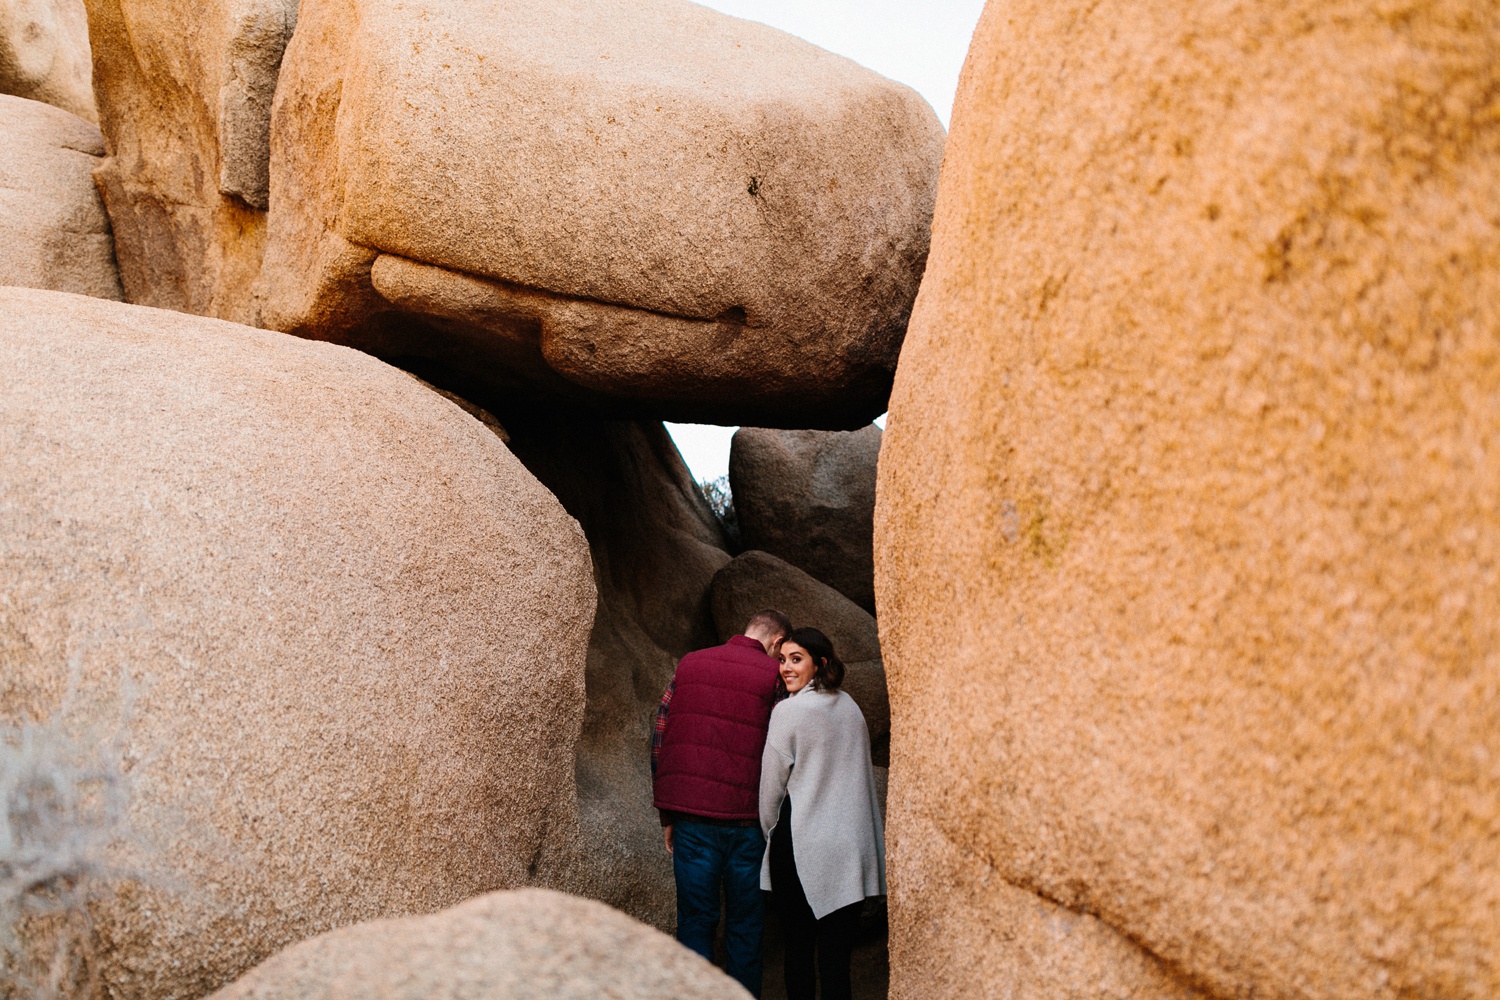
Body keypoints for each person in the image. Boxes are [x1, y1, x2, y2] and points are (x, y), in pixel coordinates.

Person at [652, 609, 793, 997]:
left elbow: (661, 734)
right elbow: (784, 749)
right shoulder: (772, 677)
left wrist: (668, 813)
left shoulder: (690, 664)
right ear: (778, 643)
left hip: (692, 820)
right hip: (748, 824)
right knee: (745, 926)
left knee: (695, 921)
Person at [759, 627, 886, 1000]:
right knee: (836, 958)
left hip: (800, 844)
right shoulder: (851, 708)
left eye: (796, 659)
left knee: (798, 948)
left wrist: (768, 832)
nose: (785, 668)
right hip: (850, 847)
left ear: (821, 663)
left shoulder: (788, 712)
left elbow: (770, 789)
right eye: (782, 659)